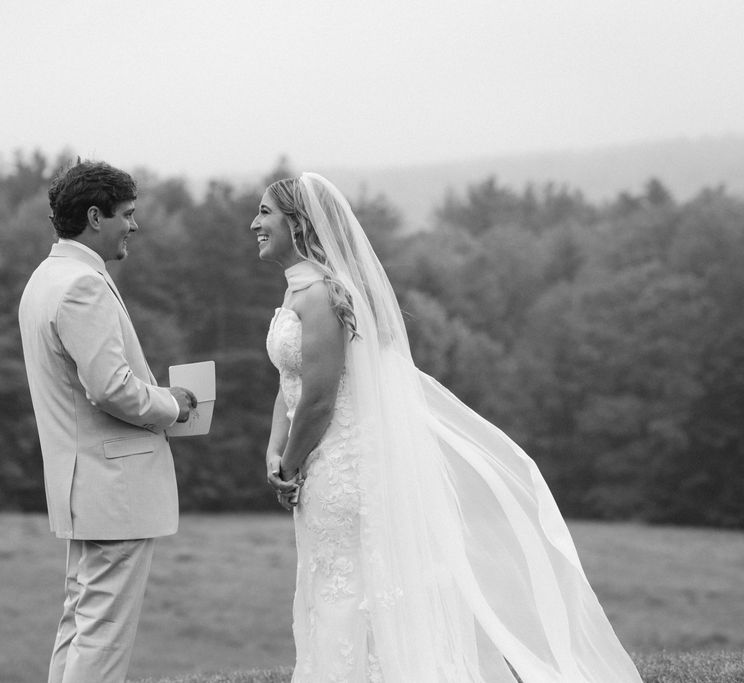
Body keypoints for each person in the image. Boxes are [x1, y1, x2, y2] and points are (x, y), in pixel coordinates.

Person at [252, 172, 643, 682]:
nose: (254, 223)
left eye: (265, 213)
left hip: (343, 464)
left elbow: (321, 399)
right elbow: (290, 384)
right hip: (318, 463)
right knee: (331, 587)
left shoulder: (322, 296)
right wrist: (272, 450)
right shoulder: (295, 293)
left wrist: (291, 463)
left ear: (298, 223)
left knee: (352, 593)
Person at [18, 160, 196, 683]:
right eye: (128, 214)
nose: (134, 226)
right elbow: (110, 387)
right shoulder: (81, 285)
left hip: (84, 484)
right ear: (95, 217)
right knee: (103, 634)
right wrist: (172, 405)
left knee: (79, 623)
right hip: (111, 487)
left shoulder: (45, 279)